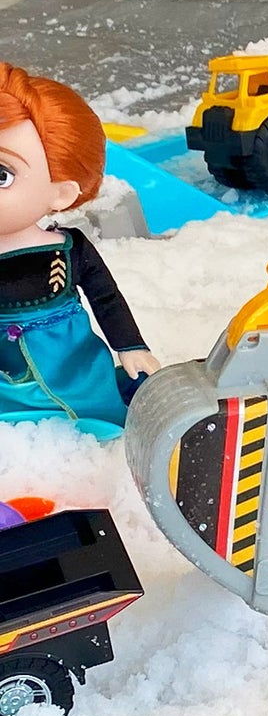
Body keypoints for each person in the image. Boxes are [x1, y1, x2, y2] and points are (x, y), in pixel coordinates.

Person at [0, 62, 158, 438]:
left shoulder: (69, 249)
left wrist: (130, 345)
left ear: (61, 192)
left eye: (2, 174)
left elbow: (106, 298)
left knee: (85, 413)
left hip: (68, 360)